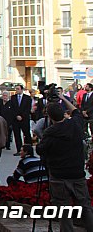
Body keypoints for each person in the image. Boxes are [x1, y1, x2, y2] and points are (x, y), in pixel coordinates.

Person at [36, 93, 93, 232]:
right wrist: (63, 98)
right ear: (63, 114)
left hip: (59, 176)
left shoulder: (50, 132)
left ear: (49, 117)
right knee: (85, 206)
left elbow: (40, 150)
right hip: (77, 174)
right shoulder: (75, 124)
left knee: (64, 209)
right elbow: (76, 112)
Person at [10, 84, 32, 155]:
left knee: (26, 134)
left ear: (22, 90)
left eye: (18, 89)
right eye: (16, 89)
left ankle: (28, 150)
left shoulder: (27, 98)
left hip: (24, 119)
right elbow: (12, 108)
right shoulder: (13, 98)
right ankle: (19, 150)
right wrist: (16, 115)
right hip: (15, 120)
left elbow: (27, 109)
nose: (17, 90)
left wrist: (22, 116)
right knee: (17, 135)